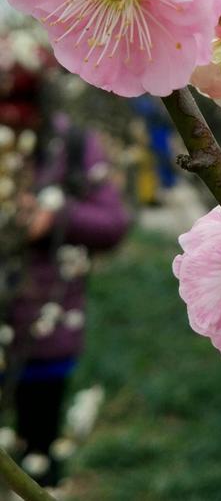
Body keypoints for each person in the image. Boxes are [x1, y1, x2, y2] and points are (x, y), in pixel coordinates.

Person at [0, 50, 129, 487]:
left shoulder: (70, 147)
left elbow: (113, 222)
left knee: (39, 450)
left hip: (46, 334)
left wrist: (53, 219)